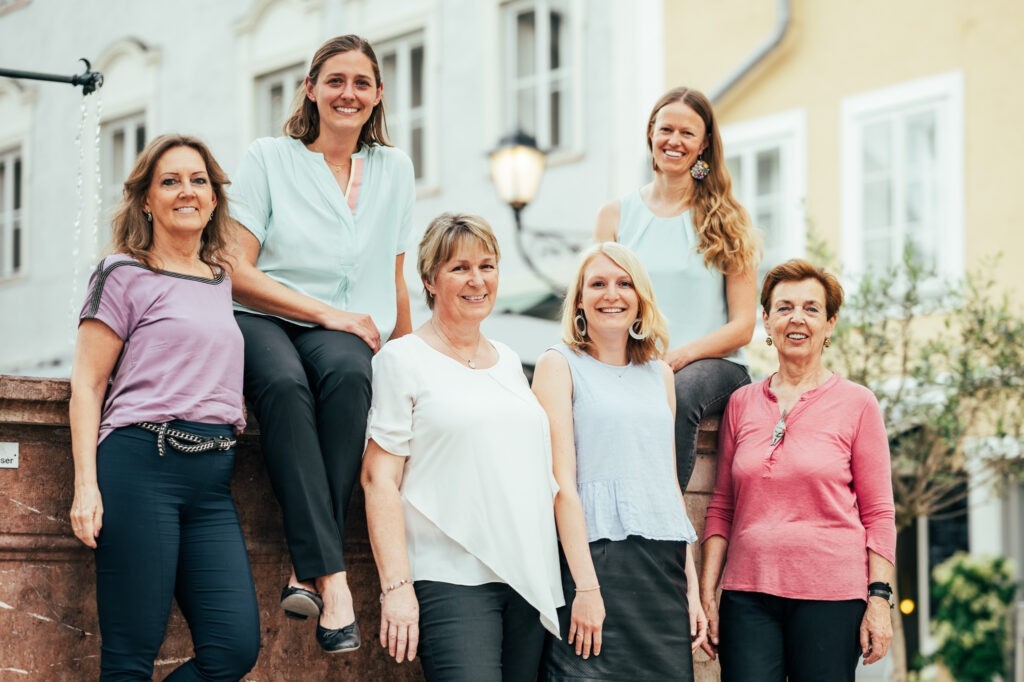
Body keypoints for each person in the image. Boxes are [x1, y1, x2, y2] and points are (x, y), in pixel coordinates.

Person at [228, 34, 415, 652]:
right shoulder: (267, 157)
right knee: (282, 384)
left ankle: (305, 568)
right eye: (335, 80)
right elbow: (238, 271)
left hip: (348, 332)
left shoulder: (396, 169)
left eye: (361, 83)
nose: (348, 93)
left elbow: (395, 277)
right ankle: (333, 580)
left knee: (351, 379)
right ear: (310, 88)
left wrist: (411, 361)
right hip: (265, 314)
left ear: (379, 95)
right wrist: (327, 314)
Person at [68, 134, 260, 680]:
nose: (186, 191)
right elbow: (87, 384)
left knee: (234, 648)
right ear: (146, 200)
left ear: (215, 198)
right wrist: (87, 486)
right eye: (170, 181)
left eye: (198, 180)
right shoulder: (122, 272)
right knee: (131, 655)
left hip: (213, 478)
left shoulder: (222, 279)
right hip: (140, 465)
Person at [361, 213, 564, 681]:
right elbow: (379, 479)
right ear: (430, 280)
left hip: (527, 578)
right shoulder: (402, 359)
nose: (477, 280)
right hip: (451, 578)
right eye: (460, 268)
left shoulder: (510, 361)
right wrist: (396, 586)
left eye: (487, 266)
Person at [700, 259, 897, 682]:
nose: (797, 319)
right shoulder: (741, 403)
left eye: (811, 308)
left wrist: (879, 600)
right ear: (766, 321)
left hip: (832, 595)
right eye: (785, 307)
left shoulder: (858, 404)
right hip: (747, 595)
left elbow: (879, 513)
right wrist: (707, 591)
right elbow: (721, 507)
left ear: (830, 324)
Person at [532, 242, 708, 681]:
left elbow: (667, 488)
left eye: (624, 283)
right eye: (598, 284)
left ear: (640, 298)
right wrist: (586, 588)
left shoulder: (661, 375)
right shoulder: (558, 365)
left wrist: (691, 590)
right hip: (595, 563)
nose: (612, 294)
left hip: (662, 573)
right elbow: (561, 487)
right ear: (579, 300)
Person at [595, 86, 760, 494]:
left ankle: (664, 519)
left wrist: (681, 356)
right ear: (651, 133)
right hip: (635, 362)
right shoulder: (615, 216)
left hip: (711, 367)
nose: (675, 140)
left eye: (688, 133)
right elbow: (596, 302)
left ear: (704, 144)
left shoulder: (727, 220)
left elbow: (742, 327)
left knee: (679, 391)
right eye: (666, 129)